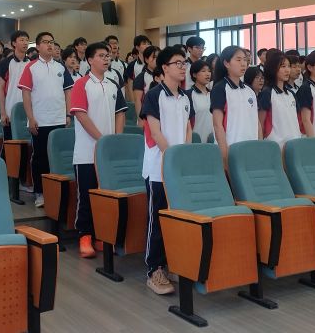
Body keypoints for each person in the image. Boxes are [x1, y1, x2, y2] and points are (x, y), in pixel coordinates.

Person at [140, 46, 194, 296]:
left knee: (176, 218)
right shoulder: (154, 95)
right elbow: (155, 132)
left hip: (178, 168)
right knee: (157, 219)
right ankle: (154, 269)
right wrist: (172, 158)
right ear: (164, 67)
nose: (183, 67)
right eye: (177, 63)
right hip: (158, 168)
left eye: (184, 63)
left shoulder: (185, 97)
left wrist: (184, 156)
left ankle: (172, 263)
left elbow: (188, 129)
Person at [69, 42, 126, 258]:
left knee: (105, 197)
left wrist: (115, 139)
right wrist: (102, 140)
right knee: (86, 196)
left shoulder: (112, 84)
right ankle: (85, 235)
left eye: (107, 56)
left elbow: (120, 113)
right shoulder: (81, 84)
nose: (106, 59)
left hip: (107, 155)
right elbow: (81, 115)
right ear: (90, 60)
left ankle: (101, 235)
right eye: (101, 55)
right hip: (86, 152)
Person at [18, 32, 74, 207]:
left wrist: (68, 114)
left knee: (57, 158)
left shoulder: (60, 67)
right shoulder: (31, 67)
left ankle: (56, 194)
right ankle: (40, 193)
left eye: (52, 42)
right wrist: (31, 118)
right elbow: (26, 94)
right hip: (40, 121)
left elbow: (68, 92)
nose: (50, 45)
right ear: (38, 46)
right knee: (40, 158)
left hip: (59, 120)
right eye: (45, 42)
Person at [211, 46, 260, 162]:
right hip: (231, 152)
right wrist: (225, 156)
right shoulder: (220, 88)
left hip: (251, 150)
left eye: (245, 60)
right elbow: (218, 125)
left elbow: (256, 122)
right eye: (238, 60)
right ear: (226, 63)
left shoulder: (249, 90)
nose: (243, 63)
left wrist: (260, 146)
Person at [258, 50, 301, 147]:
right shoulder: (267, 93)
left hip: (295, 145)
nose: (287, 70)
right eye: (283, 66)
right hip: (275, 146)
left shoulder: (291, 94)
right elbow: (260, 123)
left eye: (289, 66)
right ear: (273, 68)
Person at [0, 30, 30, 142]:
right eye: (22, 40)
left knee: (28, 144)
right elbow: (1, 89)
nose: (25, 43)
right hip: (10, 111)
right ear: (14, 43)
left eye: (27, 40)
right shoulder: (5, 63)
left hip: (29, 112)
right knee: (10, 145)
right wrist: (3, 112)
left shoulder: (32, 63)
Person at [133, 46, 160, 125]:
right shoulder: (141, 77)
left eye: (159, 57)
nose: (157, 60)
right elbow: (137, 100)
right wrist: (140, 120)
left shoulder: (164, 75)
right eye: (154, 57)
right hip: (147, 117)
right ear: (146, 59)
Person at [187, 60, 213, 142]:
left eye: (209, 71)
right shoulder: (188, 95)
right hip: (196, 141)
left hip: (214, 141)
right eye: (203, 71)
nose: (207, 74)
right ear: (194, 74)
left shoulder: (213, 94)